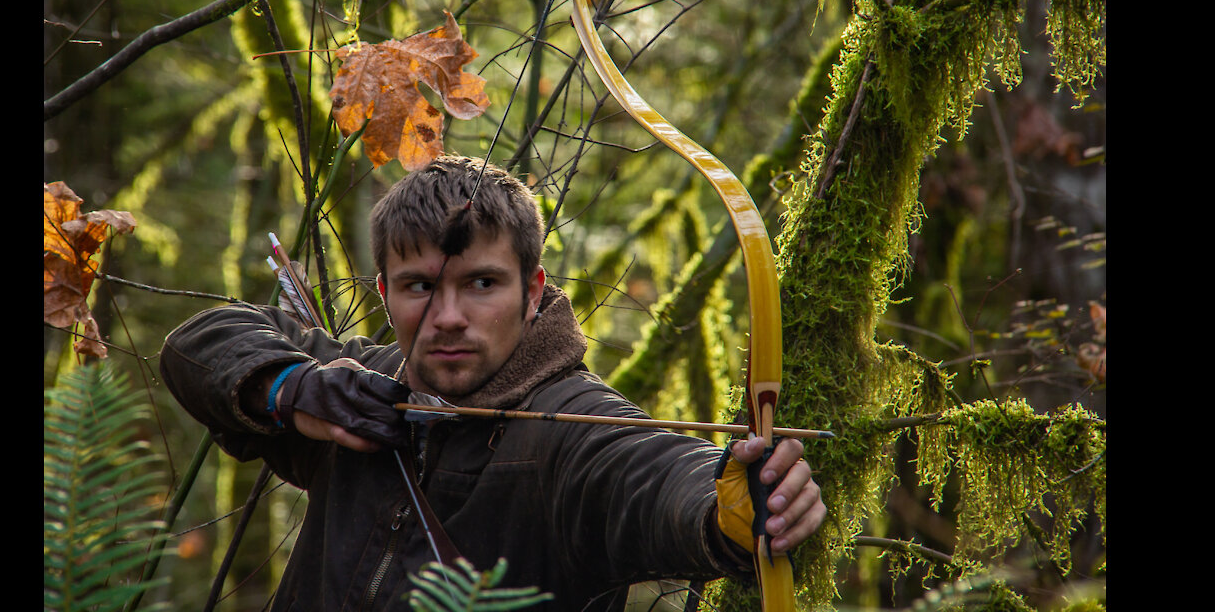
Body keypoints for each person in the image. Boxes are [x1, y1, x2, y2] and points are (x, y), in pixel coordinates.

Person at [159, 156, 825, 612]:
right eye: (420, 287)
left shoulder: (573, 428)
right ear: (384, 292)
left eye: (481, 284)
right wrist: (292, 390)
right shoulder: (361, 388)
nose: (448, 318)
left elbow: (648, 475)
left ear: (532, 291)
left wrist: (729, 503)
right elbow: (199, 343)